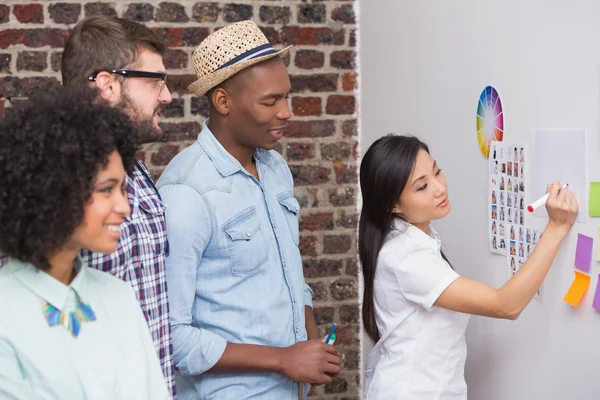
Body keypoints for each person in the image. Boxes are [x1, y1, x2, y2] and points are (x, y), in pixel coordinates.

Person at [156, 21, 343, 399]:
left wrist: (310, 343)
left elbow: (289, 275)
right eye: (270, 101)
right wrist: (282, 359)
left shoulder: (275, 169)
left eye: (286, 97)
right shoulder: (186, 192)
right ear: (223, 102)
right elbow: (172, 338)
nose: (287, 112)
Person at [359, 134, 577, 399]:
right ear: (392, 204)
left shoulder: (413, 238)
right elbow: (506, 305)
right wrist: (557, 227)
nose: (439, 187)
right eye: (422, 187)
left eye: (437, 171)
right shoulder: (405, 257)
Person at [0, 85, 170, 399]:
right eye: (107, 189)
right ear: (54, 190)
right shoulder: (5, 314)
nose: (125, 208)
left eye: (123, 189)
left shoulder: (119, 298)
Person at [60, 15, 175, 396]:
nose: (167, 95)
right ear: (108, 84)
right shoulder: (56, 184)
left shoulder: (137, 172)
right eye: (155, 80)